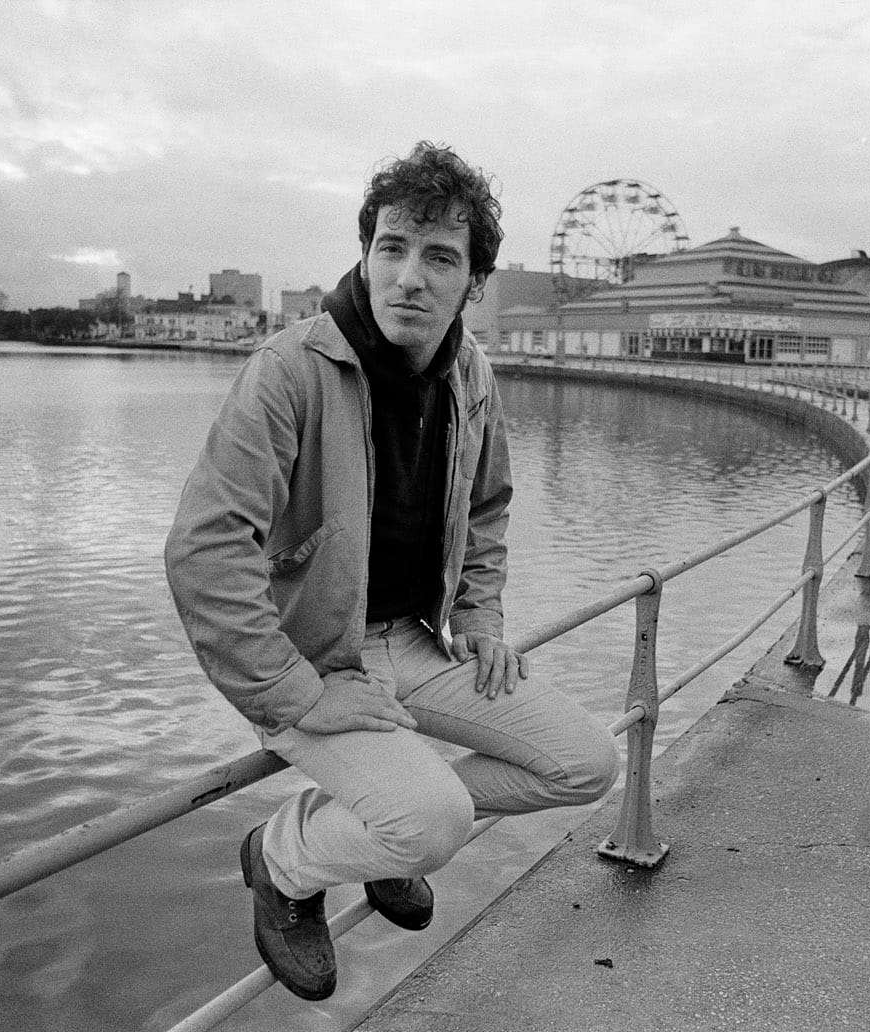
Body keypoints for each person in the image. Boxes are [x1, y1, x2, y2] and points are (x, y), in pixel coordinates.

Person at [164, 141, 618, 1001]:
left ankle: (383, 829)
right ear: (367, 252)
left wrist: (479, 618)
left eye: (440, 257)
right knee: (435, 819)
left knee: (588, 764)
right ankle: (283, 861)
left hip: (417, 642)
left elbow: (488, 508)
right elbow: (203, 553)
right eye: (392, 248)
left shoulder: (471, 376)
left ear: (473, 283)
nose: (410, 276)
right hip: (308, 663)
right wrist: (299, 695)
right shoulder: (289, 371)